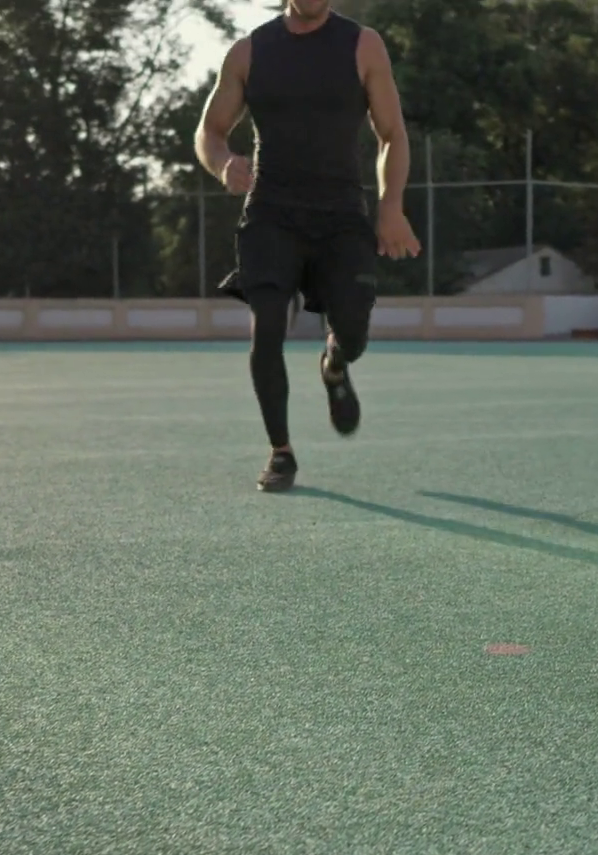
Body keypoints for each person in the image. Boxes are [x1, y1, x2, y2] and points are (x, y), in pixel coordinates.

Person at [196, 0, 422, 492]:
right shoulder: (249, 52)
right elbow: (210, 132)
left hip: (341, 216)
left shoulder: (363, 45)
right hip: (271, 214)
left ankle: (335, 365)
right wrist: (223, 163)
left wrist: (391, 206)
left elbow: (391, 134)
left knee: (354, 332)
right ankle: (281, 451)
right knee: (267, 329)